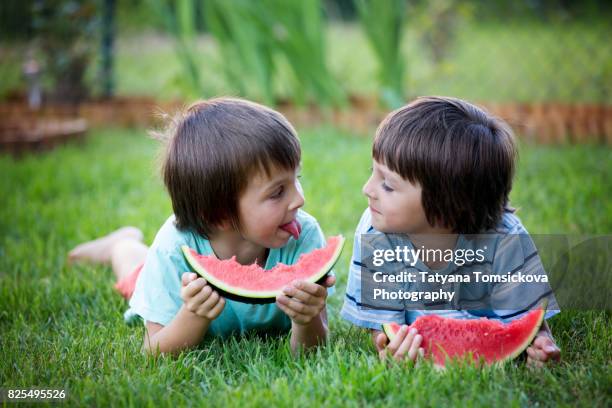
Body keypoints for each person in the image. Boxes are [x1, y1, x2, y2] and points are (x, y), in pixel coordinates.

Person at [69, 97, 335, 356]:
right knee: (134, 273)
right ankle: (122, 245)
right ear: (219, 215)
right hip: (167, 281)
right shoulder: (174, 250)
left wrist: (307, 320)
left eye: (296, 180)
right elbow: (152, 351)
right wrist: (193, 315)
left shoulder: (304, 235)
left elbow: (314, 351)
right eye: (277, 192)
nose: (300, 199)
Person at [340, 96, 561, 368]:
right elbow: (382, 330)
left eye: (387, 184)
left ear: (447, 208)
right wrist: (389, 348)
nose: (367, 189)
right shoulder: (376, 233)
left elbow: (531, 321)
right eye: (372, 173)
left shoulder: (504, 238)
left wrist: (540, 346)